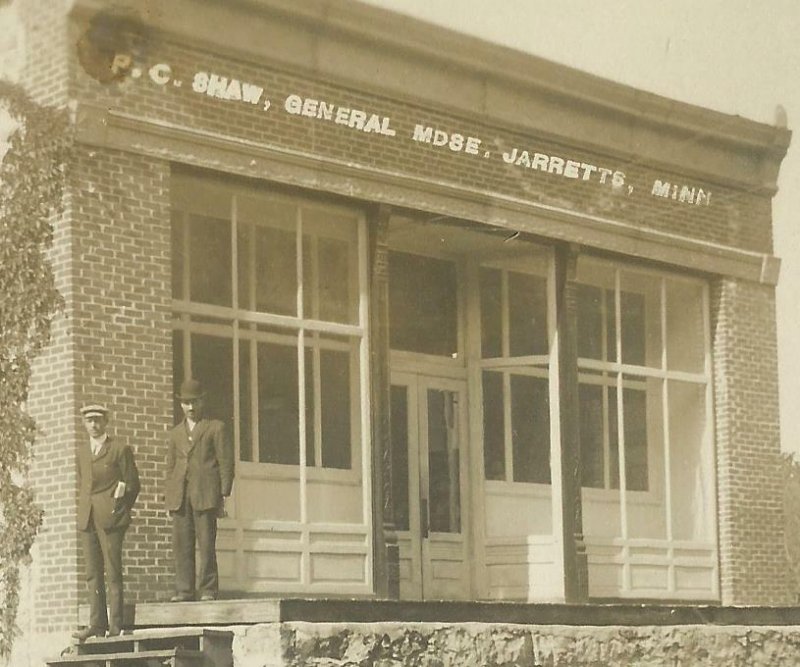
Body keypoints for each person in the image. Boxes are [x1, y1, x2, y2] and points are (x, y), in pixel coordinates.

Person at [74, 404, 140, 640]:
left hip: (111, 519)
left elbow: (133, 485)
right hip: (87, 518)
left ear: (106, 422)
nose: (94, 425)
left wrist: (117, 509)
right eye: (89, 420)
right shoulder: (82, 452)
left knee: (112, 572)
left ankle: (116, 625)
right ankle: (96, 625)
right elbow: (84, 485)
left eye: (98, 420)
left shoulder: (119, 450)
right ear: (84, 423)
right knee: (92, 573)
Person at [165, 378, 234, 602]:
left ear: (202, 402)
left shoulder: (215, 428)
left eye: (194, 402)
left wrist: (224, 494)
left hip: (205, 494)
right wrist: (170, 497)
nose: (191, 408)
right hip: (180, 496)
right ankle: (184, 590)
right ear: (181, 405)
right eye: (186, 403)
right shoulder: (176, 433)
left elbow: (226, 462)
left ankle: (208, 589)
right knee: (182, 545)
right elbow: (171, 467)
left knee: (206, 544)